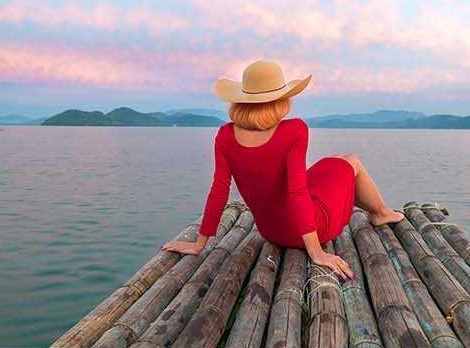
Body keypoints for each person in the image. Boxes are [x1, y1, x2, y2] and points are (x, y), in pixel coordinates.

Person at [163, 62, 403, 287]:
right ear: (279, 99)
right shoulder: (294, 130)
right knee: (351, 161)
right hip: (308, 230)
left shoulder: (225, 136)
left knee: (336, 160)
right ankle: (381, 213)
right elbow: (297, 191)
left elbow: (218, 192)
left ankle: (375, 209)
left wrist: (198, 245)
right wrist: (316, 253)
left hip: (270, 230)